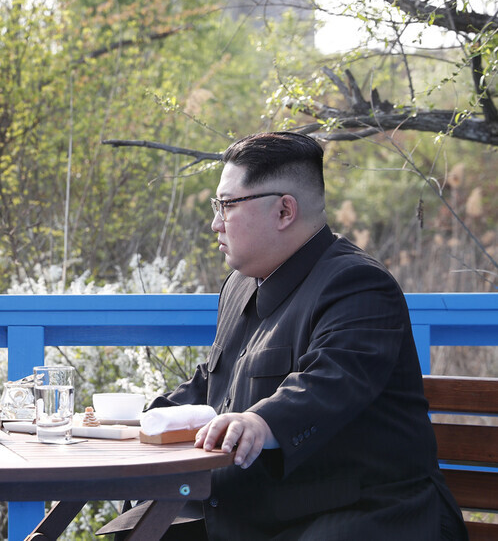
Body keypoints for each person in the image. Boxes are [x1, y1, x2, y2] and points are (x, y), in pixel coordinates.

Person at [101, 131, 467, 540]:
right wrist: (133, 421)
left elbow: (329, 383)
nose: (214, 223)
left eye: (227, 205)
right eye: (215, 206)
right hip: (256, 512)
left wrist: (259, 421)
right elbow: (212, 385)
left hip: (362, 513)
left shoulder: (357, 284)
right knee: (136, 529)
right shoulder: (240, 283)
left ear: (284, 211)